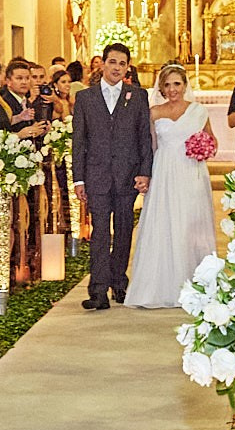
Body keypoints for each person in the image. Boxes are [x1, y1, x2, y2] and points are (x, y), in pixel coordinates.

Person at [125, 65, 219, 308]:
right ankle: (162, 285)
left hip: (192, 173)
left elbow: (212, 141)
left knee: (190, 225)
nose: (172, 89)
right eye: (167, 85)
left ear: (185, 85)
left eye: (177, 84)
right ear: (161, 88)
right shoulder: (154, 112)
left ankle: (194, 283)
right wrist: (146, 175)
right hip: (165, 172)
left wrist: (204, 148)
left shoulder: (198, 111)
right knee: (166, 223)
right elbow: (151, 147)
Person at [71, 43, 154, 311]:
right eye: (112, 62)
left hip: (127, 175)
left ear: (128, 67)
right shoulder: (85, 98)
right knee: (99, 233)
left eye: (122, 63)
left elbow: (144, 137)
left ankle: (118, 281)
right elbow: (79, 142)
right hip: (96, 175)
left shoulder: (137, 96)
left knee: (123, 230)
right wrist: (78, 179)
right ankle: (97, 290)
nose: (117, 68)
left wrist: (144, 171)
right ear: (102, 64)